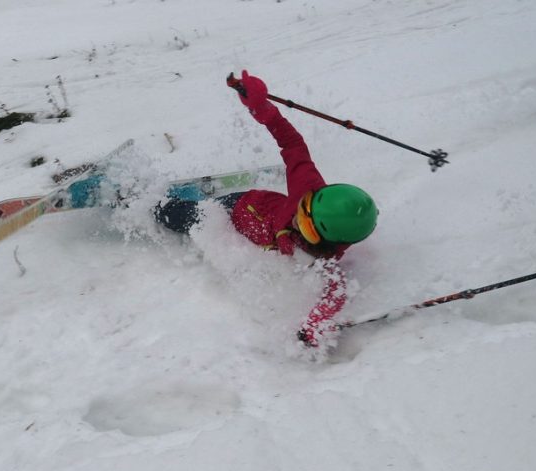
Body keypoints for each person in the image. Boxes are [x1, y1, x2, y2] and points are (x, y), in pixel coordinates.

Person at [154, 70, 378, 347]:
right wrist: (262, 108)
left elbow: (336, 293)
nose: (297, 220)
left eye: (306, 226)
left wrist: (314, 325)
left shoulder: (324, 259)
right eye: (303, 210)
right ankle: (144, 203)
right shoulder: (308, 186)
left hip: (252, 234)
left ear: (327, 240)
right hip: (235, 209)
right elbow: (291, 143)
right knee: (179, 217)